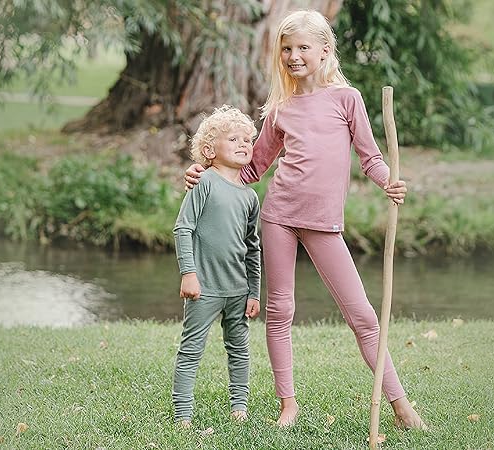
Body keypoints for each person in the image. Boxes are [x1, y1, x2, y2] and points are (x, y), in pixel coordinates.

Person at [184, 10, 426, 429]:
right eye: (287, 49)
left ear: (325, 50)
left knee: (364, 317)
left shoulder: (346, 100)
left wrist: (389, 181)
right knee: (279, 312)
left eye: (302, 48)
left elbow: (370, 157)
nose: (293, 56)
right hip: (279, 217)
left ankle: (401, 407)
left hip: (324, 224)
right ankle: (288, 404)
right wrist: (205, 174)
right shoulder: (280, 109)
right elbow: (251, 169)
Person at [172, 105, 261, 427]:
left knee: (239, 349)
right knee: (191, 350)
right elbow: (183, 228)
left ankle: (239, 407)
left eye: (248, 140)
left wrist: (254, 291)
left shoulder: (250, 197)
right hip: (204, 288)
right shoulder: (204, 182)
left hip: (238, 289)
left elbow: (253, 247)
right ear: (209, 150)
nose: (243, 144)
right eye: (233, 139)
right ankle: (183, 415)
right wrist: (189, 273)